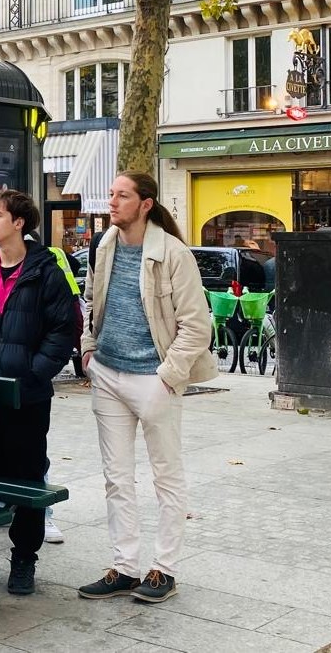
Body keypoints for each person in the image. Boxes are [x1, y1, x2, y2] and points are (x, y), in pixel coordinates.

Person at [77, 171, 216, 605]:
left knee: (166, 477)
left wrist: (167, 375)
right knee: (116, 478)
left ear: (145, 204)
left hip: (154, 378)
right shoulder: (104, 247)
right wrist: (89, 352)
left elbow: (198, 325)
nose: (112, 202)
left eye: (122, 196)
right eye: (111, 194)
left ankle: (164, 569)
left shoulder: (172, 253)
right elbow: (91, 303)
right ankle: (124, 567)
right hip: (108, 376)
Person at [0, 189, 76, 596]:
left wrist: (34, 375)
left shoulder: (45, 269)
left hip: (27, 396)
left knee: (27, 475)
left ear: (19, 223)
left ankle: (24, 557)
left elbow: (65, 330)